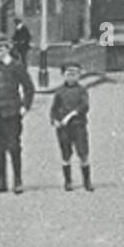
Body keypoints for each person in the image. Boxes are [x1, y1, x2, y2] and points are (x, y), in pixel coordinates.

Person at [0, 33, 35, 194]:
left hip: (11, 112)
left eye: (1, 48)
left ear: (7, 49)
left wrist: (25, 106)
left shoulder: (16, 66)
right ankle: (2, 181)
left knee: (14, 146)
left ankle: (17, 181)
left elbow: (28, 87)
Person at [50, 60, 93, 191]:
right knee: (66, 154)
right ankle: (68, 181)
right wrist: (55, 120)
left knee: (83, 153)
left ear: (79, 75)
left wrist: (72, 115)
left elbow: (84, 106)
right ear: (63, 75)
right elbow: (54, 109)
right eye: (69, 74)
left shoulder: (82, 90)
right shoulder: (59, 91)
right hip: (64, 129)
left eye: (75, 74)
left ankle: (87, 181)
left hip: (78, 126)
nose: (71, 77)